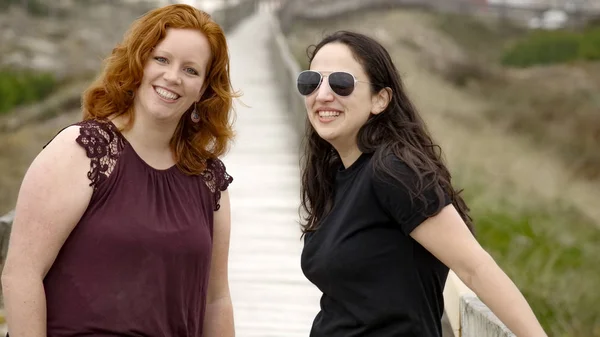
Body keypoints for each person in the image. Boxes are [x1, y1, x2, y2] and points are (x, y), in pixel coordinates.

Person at [1, 4, 237, 337]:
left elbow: (217, 300)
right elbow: (21, 275)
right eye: (162, 59)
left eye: (191, 70)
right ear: (139, 62)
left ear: (203, 91)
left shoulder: (209, 180)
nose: (172, 77)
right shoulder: (82, 150)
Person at [296, 31, 547, 337]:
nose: (322, 95)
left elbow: (474, 267)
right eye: (311, 82)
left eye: (341, 83)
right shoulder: (336, 174)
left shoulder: (394, 171)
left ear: (380, 99)